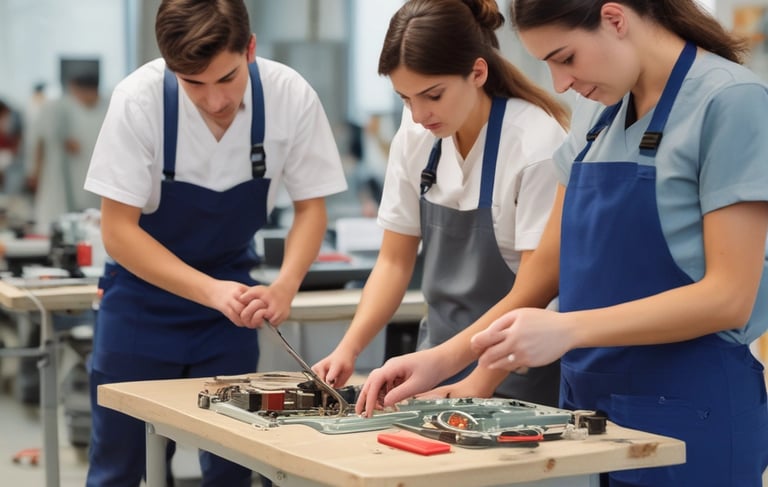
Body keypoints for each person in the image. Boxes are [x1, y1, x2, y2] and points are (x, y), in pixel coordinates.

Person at [361, 1, 768, 486]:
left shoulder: (732, 102)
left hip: (690, 413)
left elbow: (728, 298)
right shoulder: (594, 114)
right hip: (586, 416)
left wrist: (568, 329)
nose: (558, 83)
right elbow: (539, 279)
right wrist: (445, 360)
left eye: (565, 58)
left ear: (615, 19)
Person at [83, 0, 347, 485]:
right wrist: (211, 291)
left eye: (226, 78)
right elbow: (118, 231)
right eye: (193, 84)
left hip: (232, 310)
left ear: (249, 48)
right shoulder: (139, 100)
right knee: (121, 466)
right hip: (140, 304)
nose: (214, 101)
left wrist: (285, 286)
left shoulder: (290, 96)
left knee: (235, 461)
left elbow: (311, 208)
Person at [313, 0, 569, 407]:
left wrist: (479, 381)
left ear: (478, 72)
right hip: (432, 368)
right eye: (405, 98)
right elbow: (394, 262)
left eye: (432, 95)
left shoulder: (535, 143)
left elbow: (533, 291)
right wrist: (349, 348)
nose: (418, 115)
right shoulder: (417, 137)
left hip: (514, 377)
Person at [30, 73, 107, 235]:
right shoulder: (61, 108)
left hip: (98, 177)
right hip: (70, 176)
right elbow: (42, 141)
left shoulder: (107, 106)